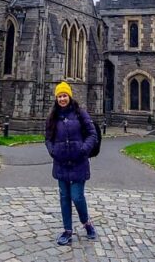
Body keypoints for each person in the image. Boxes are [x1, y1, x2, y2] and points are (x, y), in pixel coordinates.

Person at [45, 81, 99, 246]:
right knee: (64, 197)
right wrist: (53, 151)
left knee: (77, 196)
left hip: (78, 162)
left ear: (69, 96)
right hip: (61, 162)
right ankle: (67, 231)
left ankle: (87, 223)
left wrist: (83, 150)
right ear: (56, 98)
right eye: (59, 96)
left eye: (64, 95)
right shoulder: (53, 117)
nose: (62, 98)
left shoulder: (80, 113)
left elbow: (92, 134)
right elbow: (48, 138)